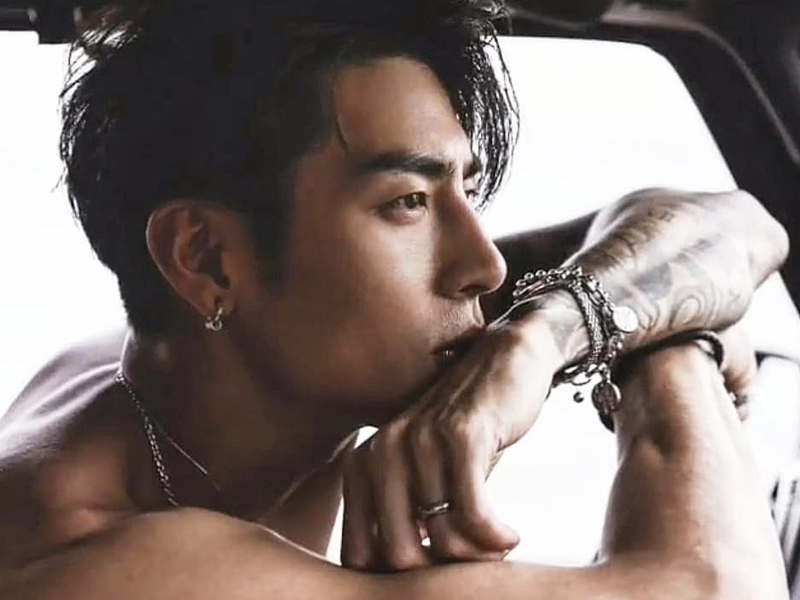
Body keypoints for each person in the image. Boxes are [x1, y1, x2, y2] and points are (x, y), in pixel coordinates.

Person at [0, 0, 790, 598]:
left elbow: (731, 224)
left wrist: (549, 333)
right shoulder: (102, 564)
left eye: (466, 191)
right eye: (407, 203)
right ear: (205, 257)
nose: (483, 265)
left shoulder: (209, 360)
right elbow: (718, 588)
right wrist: (675, 346)